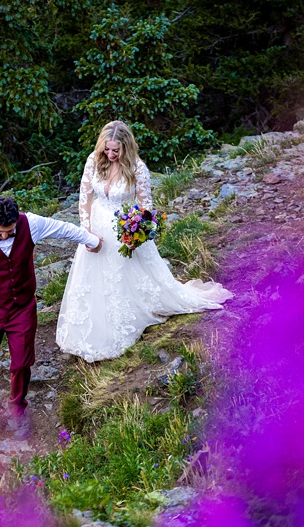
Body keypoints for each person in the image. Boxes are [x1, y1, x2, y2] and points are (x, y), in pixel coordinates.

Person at [56, 121, 233, 362]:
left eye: (115, 150)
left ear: (126, 148)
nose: (110, 154)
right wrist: (86, 232)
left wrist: (136, 236)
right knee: (91, 281)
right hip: (96, 229)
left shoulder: (138, 168)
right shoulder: (93, 161)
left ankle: (119, 323)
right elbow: (84, 198)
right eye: (107, 149)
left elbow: (146, 208)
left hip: (123, 231)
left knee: (121, 280)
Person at [0, 196, 102, 450]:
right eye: (0, 232)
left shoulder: (30, 224)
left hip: (21, 308)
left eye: (9, 232)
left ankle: (18, 410)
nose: (5, 236)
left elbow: (62, 229)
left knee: (22, 362)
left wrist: (92, 241)